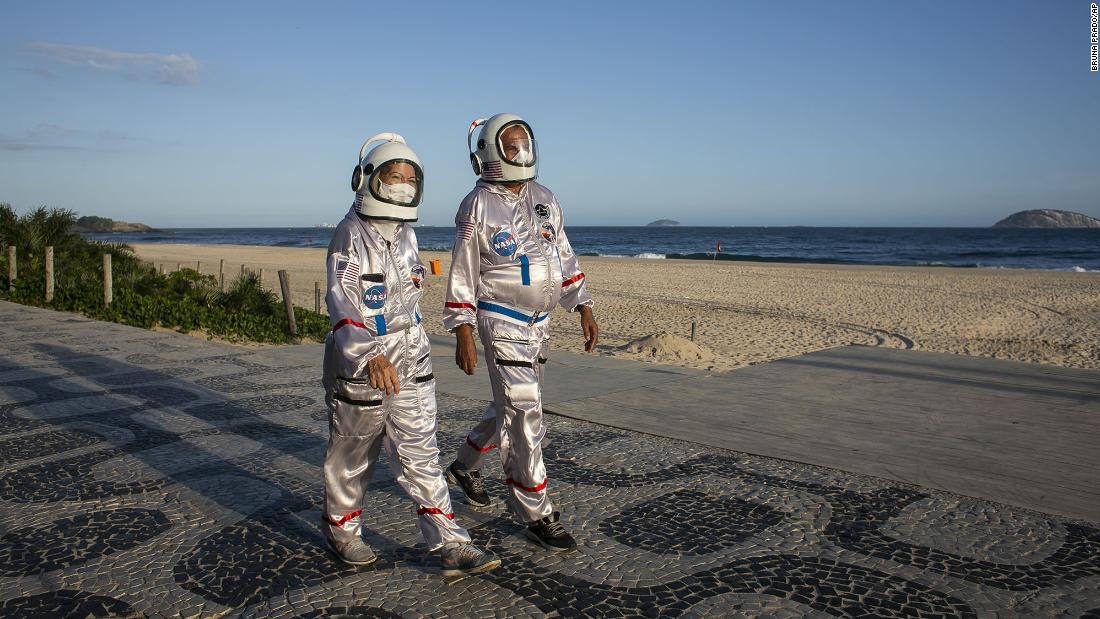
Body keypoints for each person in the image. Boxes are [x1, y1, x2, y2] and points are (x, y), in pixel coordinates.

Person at [322, 133, 500, 578]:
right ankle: (341, 530)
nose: (402, 185)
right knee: (354, 455)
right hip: (361, 365)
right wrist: (369, 355)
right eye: (393, 176)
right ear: (368, 180)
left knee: (421, 450)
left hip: (411, 359)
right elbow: (342, 298)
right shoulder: (349, 235)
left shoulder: (405, 233)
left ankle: (451, 542)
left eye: (408, 179)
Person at [443, 114, 598, 552]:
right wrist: (462, 329)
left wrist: (583, 304)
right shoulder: (477, 205)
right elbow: (463, 267)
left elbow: (562, 253)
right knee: (526, 412)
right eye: (513, 146)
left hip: (540, 324)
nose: (522, 153)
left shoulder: (545, 197)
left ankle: (465, 464)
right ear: (492, 152)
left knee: (513, 404)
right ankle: (536, 511)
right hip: (500, 316)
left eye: (525, 143)